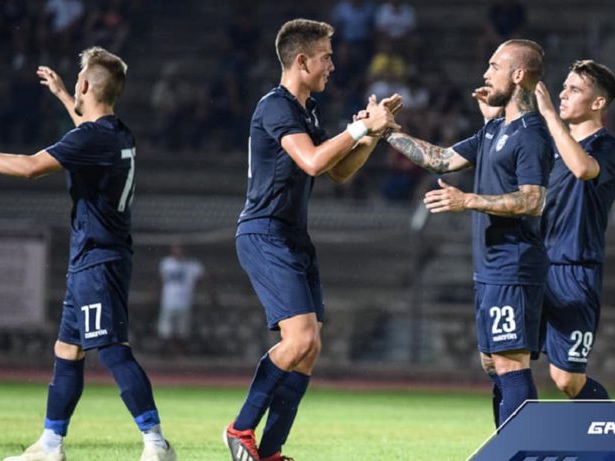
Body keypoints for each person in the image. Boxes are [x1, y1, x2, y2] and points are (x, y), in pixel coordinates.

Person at [225, 19, 400, 461]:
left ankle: (270, 452)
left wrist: (371, 134)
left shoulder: (307, 110)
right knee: (300, 340)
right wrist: (358, 129)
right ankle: (240, 428)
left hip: (292, 236)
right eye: (326, 57)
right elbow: (311, 161)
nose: (332, 66)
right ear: (302, 61)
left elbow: (338, 170)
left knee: (309, 348)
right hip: (264, 232)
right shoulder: (276, 106)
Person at [0, 47, 176, 461]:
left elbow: (29, 167)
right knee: (67, 350)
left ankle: (156, 442)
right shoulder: (117, 133)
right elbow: (86, 132)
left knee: (111, 348)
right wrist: (62, 95)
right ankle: (50, 444)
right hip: (94, 257)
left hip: (98, 259)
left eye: (77, 80)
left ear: (86, 85)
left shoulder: (92, 139)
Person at [385, 39, 552, 429]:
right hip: (491, 268)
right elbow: (442, 159)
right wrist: (387, 132)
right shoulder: (495, 129)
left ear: (518, 75)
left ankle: (525, 449)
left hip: (514, 265)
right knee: (493, 362)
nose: (485, 73)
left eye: (494, 66)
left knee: (510, 363)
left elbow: (533, 200)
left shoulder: (531, 134)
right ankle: (511, 443)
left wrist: (468, 200)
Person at [534, 60, 615, 400]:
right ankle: (519, 431)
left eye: (574, 89)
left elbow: (583, 169)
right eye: (564, 87)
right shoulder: (550, 146)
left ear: (597, 102)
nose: (563, 94)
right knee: (503, 357)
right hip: (535, 265)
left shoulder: (606, 147)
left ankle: (611, 431)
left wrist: (549, 117)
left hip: (574, 270)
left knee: (566, 379)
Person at [157, 244, 205, 352]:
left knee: (182, 331)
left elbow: (203, 278)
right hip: (168, 301)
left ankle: (179, 352)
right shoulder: (166, 263)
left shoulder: (191, 264)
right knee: (166, 330)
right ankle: (167, 352)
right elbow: (160, 280)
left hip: (184, 301)